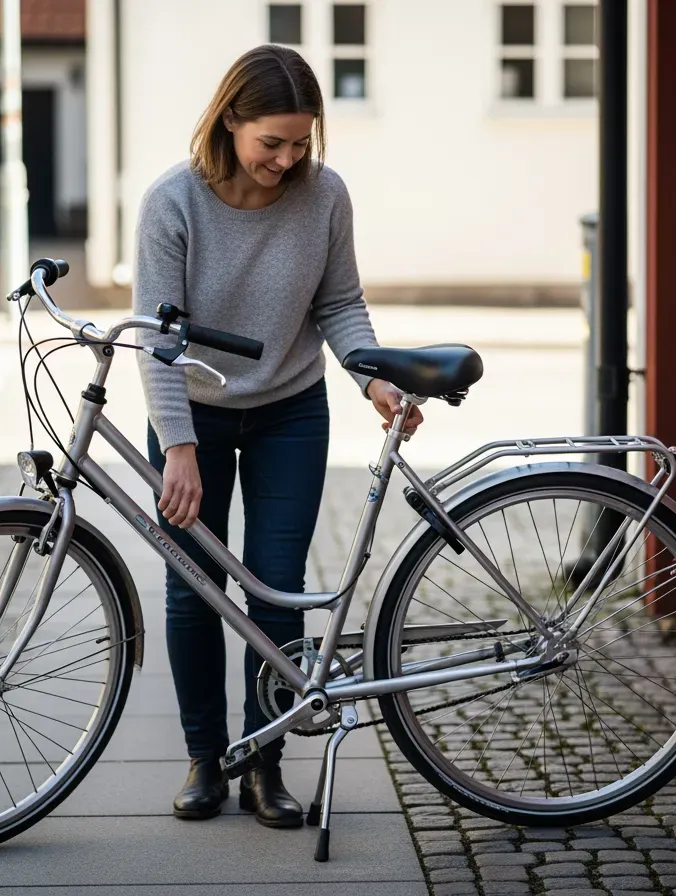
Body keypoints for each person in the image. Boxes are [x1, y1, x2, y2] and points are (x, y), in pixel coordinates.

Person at [133, 44, 423, 828]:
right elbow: (154, 339)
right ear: (230, 121)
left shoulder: (324, 196)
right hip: (192, 414)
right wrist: (179, 447)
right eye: (272, 142)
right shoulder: (173, 203)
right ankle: (205, 759)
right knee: (194, 587)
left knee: (275, 586)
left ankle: (265, 762)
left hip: (291, 410)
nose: (288, 158)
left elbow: (340, 303)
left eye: (301, 142)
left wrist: (370, 376)